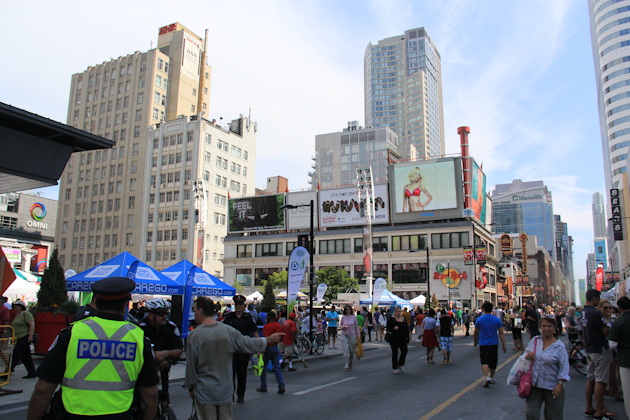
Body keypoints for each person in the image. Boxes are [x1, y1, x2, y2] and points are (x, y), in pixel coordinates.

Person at [27, 277, 159, 420]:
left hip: (72, 414)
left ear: (96, 302)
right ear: (125, 305)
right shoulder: (138, 338)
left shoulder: (72, 334)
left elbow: (42, 390)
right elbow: (150, 396)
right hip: (119, 414)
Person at [186, 298, 284, 420]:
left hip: (204, 391)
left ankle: (240, 394)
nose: (194, 313)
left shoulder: (194, 336)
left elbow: (191, 368)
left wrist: (191, 387)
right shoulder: (227, 330)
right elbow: (246, 342)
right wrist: (267, 340)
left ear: (200, 311)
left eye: (194, 310)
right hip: (225, 391)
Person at [523, 316, 570, 420]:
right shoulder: (535, 341)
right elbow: (524, 356)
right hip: (535, 385)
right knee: (531, 413)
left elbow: (564, 368)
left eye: (549, 326)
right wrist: (528, 356)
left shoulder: (560, 347)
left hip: (552, 387)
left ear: (554, 328)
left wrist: (560, 384)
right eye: (544, 326)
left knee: (553, 416)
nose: (546, 329)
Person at [582, 289, 616, 420]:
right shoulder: (595, 313)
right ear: (595, 298)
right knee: (600, 381)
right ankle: (599, 412)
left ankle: (590, 407)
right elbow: (605, 331)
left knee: (591, 378)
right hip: (599, 348)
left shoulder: (584, 313)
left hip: (589, 348)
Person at [139, 298, 183, 397]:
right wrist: (156, 358)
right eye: (161, 314)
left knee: (164, 395)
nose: (164, 316)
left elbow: (179, 350)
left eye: (166, 313)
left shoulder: (171, 327)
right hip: (144, 371)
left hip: (164, 368)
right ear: (150, 315)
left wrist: (164, 354)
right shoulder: (140, 328)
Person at [222, 294, 259, 403]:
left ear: (244, 305)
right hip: (231, 349)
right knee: (230, 373)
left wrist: (257, 347)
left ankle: (240, 395)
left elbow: (255, 332)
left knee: (242, 373)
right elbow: (223, 331)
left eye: (240, 304)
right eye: (236, 304)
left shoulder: (248, 318)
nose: (238, 306)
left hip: (243, 349)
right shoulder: (229, 317)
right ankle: (230, 395)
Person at [474, 301, 506, 387]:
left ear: (483, 309)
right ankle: (491, 377)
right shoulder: (496, 319)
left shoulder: (479, 319)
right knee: (493, 361)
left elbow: (476, 332)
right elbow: (501, 333)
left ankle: (486, 376)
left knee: (484, 361)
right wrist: (504, 344)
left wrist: (475, 342)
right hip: (493, 343)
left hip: (483, 343)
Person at [609, 296, 630, 419]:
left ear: (620, 308)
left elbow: (612, 344)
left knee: (628, 392)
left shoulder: (618, 322)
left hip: (625, 359)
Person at [598, 299, 623, 403]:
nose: (608, 309)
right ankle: (603, 398)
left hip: (612, 348)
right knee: (605, 373)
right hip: (603, 348)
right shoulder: (600, 319)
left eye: (610, 307)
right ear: (600, 308)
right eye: (605, 308)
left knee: (614, 370)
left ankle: (616, 390)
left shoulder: (610, 319)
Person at [257, 311, 285, 394]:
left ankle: (263, 386)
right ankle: (281, 385)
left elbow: (266, 338)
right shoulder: (277, 325)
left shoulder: (266, 326)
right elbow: (280, 336)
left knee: (263, 367)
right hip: (275, 347)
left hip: (268, 347)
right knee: (277, 367)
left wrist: (262, 351)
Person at [10, 300, 36, 378]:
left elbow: (31, 324)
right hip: (18, 337)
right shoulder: (17, 315)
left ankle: (9, 370)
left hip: (24, 337)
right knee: (25, 356)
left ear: (20, 306)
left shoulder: (26, 314)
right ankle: (32, 372)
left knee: (16, 354)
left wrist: (30, 336)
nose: (14, 307)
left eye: (16, 305)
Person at [385, 306, 408, 373]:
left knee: (404, 351)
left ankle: (400, 363)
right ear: (395, 312)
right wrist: (393, 328)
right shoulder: (391, 320)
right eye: (397, 311)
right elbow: (388, 328)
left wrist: (408, 337)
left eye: (400, 311)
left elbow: (406, 328)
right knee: (395, 352)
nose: (399, 313)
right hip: (394, 338)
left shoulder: (403, 319)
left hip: (402, 338)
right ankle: (395, 367)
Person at [339, 305, 360, 371]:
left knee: (351, 350)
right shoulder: (343, 317)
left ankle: (350, 362)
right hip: (344, 334)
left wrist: (358, 336)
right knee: (346, 350)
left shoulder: (353, 317)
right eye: (347, 309)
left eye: (349, 309)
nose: (348, 311)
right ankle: (346, 364)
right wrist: (343, 327)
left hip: (352, 335)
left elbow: (356, 326)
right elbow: (340, 325)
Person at [0, 296, 10, 372]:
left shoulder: (4, 309)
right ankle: (8, 367)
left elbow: (6, 321)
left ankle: (8, 367)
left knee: (0, 351)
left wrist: (5, 333)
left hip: (1, 331)